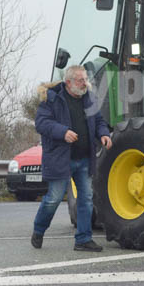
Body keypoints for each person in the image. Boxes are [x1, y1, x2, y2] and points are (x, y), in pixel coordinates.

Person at [32, 65, 112, 252]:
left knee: (86, 199)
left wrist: (104, 134)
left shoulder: (89, 98)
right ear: (68, 82)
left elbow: (98, 121)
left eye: (86, 79)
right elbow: (41, 123)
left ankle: (83, 239)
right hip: (60, 159)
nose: (85, 83)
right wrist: (63, 132)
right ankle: (39, 230)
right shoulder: (51, 99)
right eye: (80, 80)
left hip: (84, 159)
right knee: (54, 199)